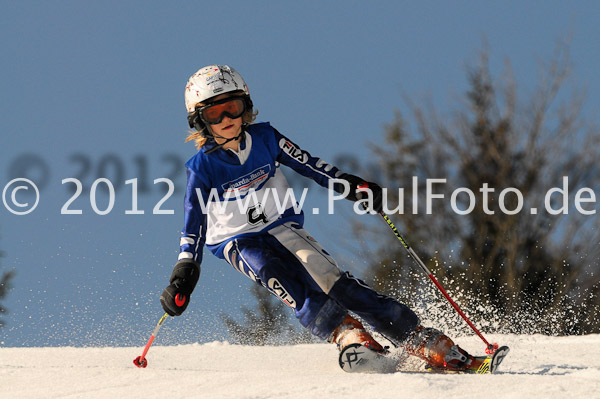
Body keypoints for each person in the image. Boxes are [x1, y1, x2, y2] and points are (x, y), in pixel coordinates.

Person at [160, 65, 485, 372]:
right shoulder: (201, 167)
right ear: (200, 121)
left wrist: (353, 186)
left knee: (330, 278)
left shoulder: (265, 138)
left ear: (246, 104)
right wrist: (184, 271)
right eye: (214, 113)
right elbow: (194, 222)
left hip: (279, 224)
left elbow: (310, 165)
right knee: (280, 277)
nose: (227, 118)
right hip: (236, 240)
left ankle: (417, 337)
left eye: (232, 106)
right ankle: (348, 334)